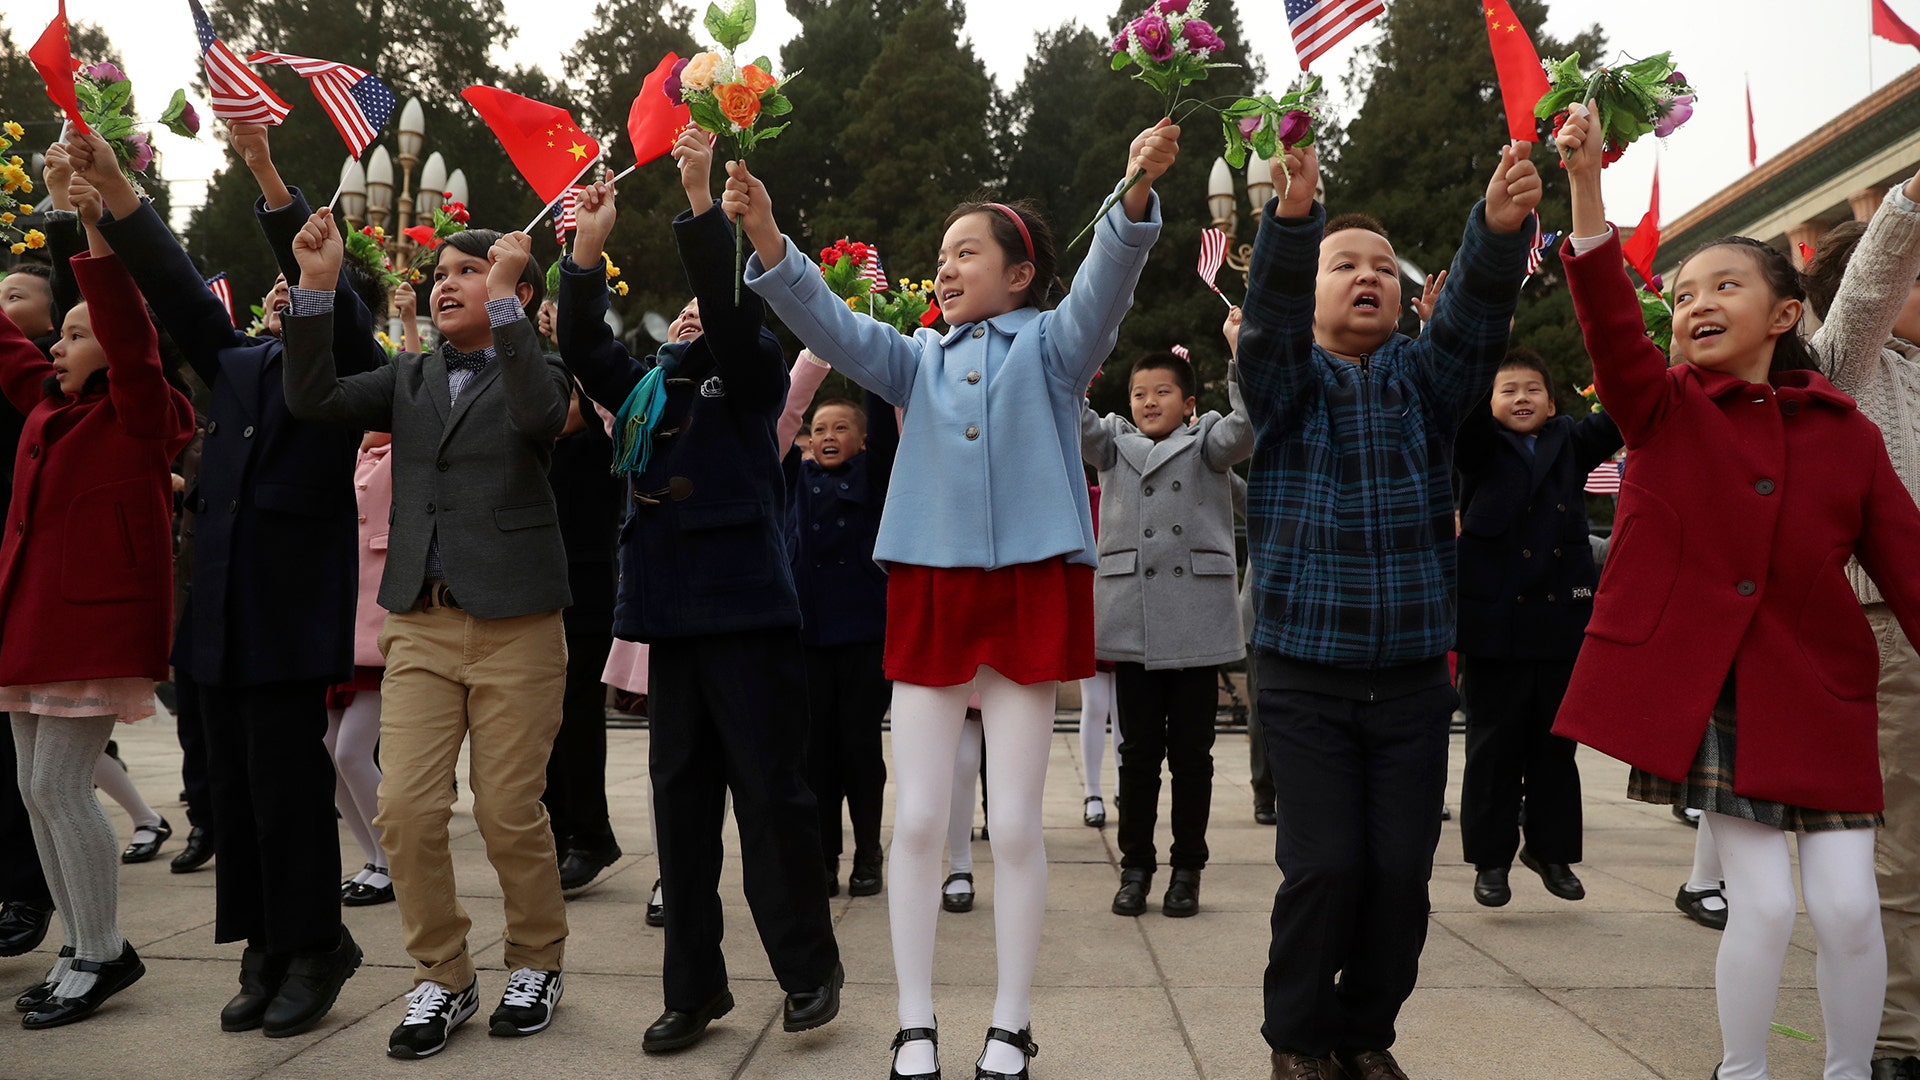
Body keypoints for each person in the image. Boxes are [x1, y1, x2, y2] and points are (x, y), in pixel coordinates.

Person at [736, 117, 1180, 1080]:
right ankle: (916, 1022)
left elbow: (1105, 287)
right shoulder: (917, 359)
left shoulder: (1056, 349)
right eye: (939, 255)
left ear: (1019, 274)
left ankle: (1011, 1023)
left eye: (965, 252)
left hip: (1029, 583)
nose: (944, 268)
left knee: (1016, 822)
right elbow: (833, 326)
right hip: (931, 586)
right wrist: (771, 241)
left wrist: (1135, 190)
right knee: (920, 820)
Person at [1551, 101, 1920, 1080]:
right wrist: (1586, 181)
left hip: (1827, 697)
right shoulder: (1660, 407)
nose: (1695, 302)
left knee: (1847, 908)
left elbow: (1912, 571)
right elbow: (1606, 316)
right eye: (1683, 292)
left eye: (1725, 284)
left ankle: (1849, 1071)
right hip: (1718, 693)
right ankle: (1741, 1071)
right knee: (1759, 903)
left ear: (1786, 312)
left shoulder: (1848, 431)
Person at [1239, 136, 1542, 1080]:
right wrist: (1295, 226)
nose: (1364, 277)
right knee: (1325, 866)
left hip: (1412, 677)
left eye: (1380, 267)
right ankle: (1297, 1040)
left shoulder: (1423, 382)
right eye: (1344, 266)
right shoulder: (1286, 387)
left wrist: (1497, 232)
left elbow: (1474, 328)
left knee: (1400, 875)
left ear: (1404, 294)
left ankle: (1364, 1034)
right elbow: (1268, 327)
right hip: (1302, 672)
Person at [76, 121, 376, 1038]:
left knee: (288, 793)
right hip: (222, 619)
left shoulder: (349, 372)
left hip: (287, 619)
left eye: (305, 284)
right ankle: (264, 947)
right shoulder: (243, 364)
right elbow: (172, 286)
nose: (288, 290)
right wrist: (117, 192)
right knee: (238, 794)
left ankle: (318, 942)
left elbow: (344, 323)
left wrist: (268, 178)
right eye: (283, 286)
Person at [557, 132, 842, 1055]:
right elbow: (581, 342)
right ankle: (694, 989)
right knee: (680, 817)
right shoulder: (644, 392)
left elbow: (724, 309)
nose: (686, 320)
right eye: (675, 313)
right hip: (669, 620)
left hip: (750, 616)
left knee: (772, 802)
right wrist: (586, 252)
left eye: (699, 311)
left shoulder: (752, 375)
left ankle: (807, 971)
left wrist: (696, 203)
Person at [283, 205, 573, 1057]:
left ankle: (536, 960)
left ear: (511, 286)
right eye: (440, 271)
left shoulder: (537, 365)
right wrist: (317, 286)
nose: (446, 281)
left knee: (508, 810)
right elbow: (313, 397)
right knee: (405, 809)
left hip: (518, 621)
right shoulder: (408, 377)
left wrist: (514, 306)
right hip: (419, 622)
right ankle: (443, 974)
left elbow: (536, 416)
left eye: (466, 270)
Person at [0, 171, 194, 1028]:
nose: (57, 344)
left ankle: (103, 950)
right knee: (34, 789)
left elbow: (124, 327)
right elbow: (5, 348)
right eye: (59, 333)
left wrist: (94, 229)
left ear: (114, 350)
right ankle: (80, 945)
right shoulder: (48, 411)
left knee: (60, 786)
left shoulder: (140, 412)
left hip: (94, 627)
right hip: (30, 625)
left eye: (77, 334)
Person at [1797, 181, 1920, 1080]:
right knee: (1900, 852)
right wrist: (1909, 201)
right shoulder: (1847, 363)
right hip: (1885, 631)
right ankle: (1895, 1035)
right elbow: (1874, 280)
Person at [1083, 347, 1252, 919]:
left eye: (1162, 392)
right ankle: (1135, 867)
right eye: (1138, 392)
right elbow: (1067, 415)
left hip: (1197, 620)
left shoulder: (1208, 442)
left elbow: (1249, 426)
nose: (1149, 401)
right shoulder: (1110, 444)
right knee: (1136, 754)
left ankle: (1188, 869)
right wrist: (1073, 360)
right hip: (1134, 618)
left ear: (1189, 403)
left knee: (1193, 756)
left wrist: (1237, 355)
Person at [1452, 348, 1621, 907]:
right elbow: (1461, 410)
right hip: (1493, 624)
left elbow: (1623, 410)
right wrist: (1450, 339)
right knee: (1493, 749)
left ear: (1552, 402)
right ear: (1490, 401)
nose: (1521, 398)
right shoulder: (1475, 445)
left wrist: (1643, 351)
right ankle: (1491, 860)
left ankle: (1550, 852)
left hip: (1559, 621)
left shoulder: (1571, 440)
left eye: (1532, 390)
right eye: (1508, 390)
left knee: (1555, 747)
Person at [784, 356, 899, 899]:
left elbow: (882, 421)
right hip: (808, 637)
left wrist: (867, 355)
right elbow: (784, 413)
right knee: (815, 755)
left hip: (864, 635)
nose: (828, 436)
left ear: (861, 440)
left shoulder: (875, 477)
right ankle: (824, 858)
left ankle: (868, 853)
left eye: (841, 428)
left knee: (859, 749)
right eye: (820, 430)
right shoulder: (792, 476)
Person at [542, 384, 623, 892]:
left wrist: (565, 331)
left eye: (566, 399)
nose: (556, 410)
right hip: (537, 603)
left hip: (587, 605)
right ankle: (554, 833)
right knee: (541, 728)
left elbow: (599, 395)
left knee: (578, 723)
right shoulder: (536, 448)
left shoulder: (599, 447)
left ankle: (590, 837)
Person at [331, 431, 394, 907]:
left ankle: (393, 861)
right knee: (329, 749)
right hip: (337, 618)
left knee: (352, 751)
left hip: (381, 620)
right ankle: (373, 859)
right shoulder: (353, 451)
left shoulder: (410, 444)